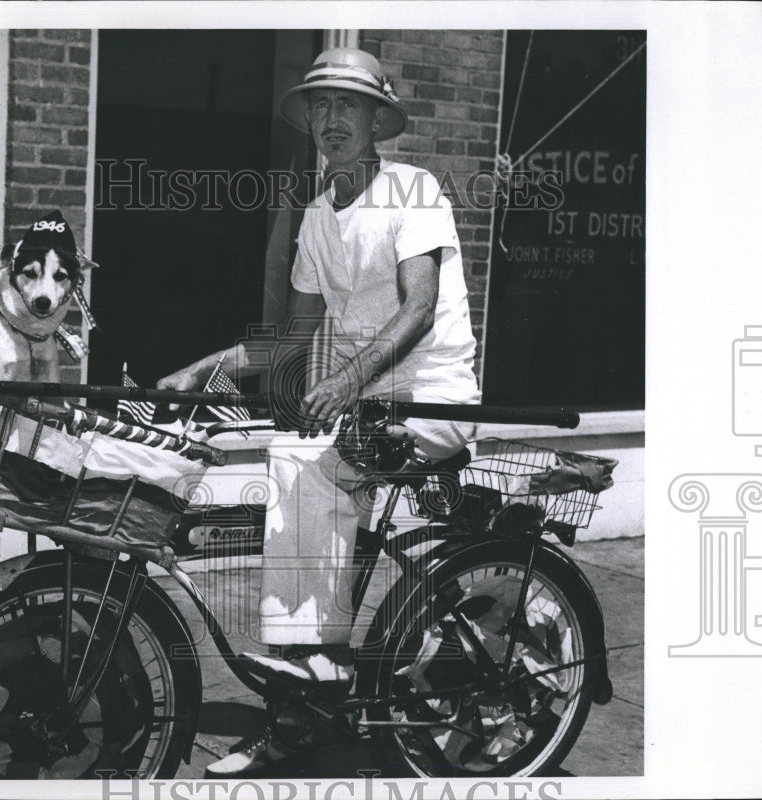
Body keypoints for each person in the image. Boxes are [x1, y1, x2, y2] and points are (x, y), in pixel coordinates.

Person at [157, 47, 481, 775]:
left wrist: (347, 380)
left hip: (433, 399)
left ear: (376, 121)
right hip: (371, 408)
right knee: (295, 462)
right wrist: (197, 371)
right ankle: (301, 699)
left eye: (349, 106)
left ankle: (316, 672)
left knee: (313, 467)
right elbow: (288, 342)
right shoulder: (315, 216)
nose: (332, 120)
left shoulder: (413, 189)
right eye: (320, 106)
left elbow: (420, 309)